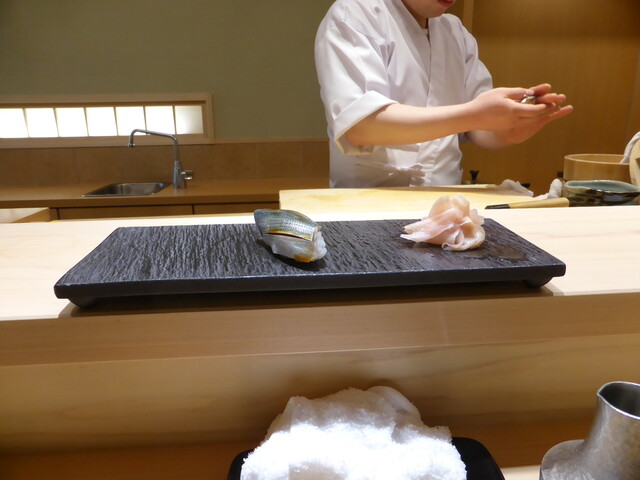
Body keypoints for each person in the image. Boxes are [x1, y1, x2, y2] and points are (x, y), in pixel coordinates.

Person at [314, 0, 573, 188]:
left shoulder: (454, 31)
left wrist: (509, 129)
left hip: (445, 204)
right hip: (368, 205)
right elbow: (362, 127)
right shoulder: (355, 13)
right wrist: (476, 115)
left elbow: (477, 127)